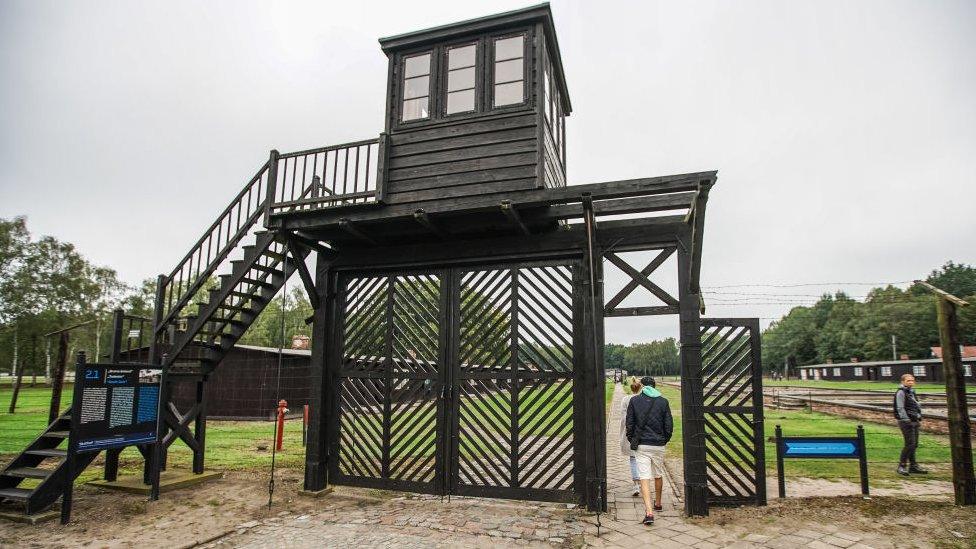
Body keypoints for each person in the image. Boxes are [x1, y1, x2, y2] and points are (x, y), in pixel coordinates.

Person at [626, 375, 673, 526]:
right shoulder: (663, 402)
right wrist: (663, 440)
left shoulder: (634, 401)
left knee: (644, 477)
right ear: (655, 386)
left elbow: (630, 424)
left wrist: (632, 439)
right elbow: (669, 427)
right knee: (658, 474)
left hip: (642, 445)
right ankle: (658, 503)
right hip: (658, 444)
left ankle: (649, 512)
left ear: (642, 386)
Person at [894, 373, 928, 476]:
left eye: (912, 380)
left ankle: (913, 466)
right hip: (906, 421)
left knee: (915, 444)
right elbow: (900, 407)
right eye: (908, 381)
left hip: (914, 420)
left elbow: (915, 405)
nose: (911, 382)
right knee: (910, 444)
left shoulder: (911, 392)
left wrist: (918, 416)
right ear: (903, 382)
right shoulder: (901, 392)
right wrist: (906, 419)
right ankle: (902, 465)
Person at [619, 376, 643, 496]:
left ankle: (636, 485)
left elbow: (623, 418)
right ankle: (644, 483)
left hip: (630, 433)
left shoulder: (625, 399)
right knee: (643, 459)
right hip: (643, 433)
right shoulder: (643, 399)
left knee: (633, 459)